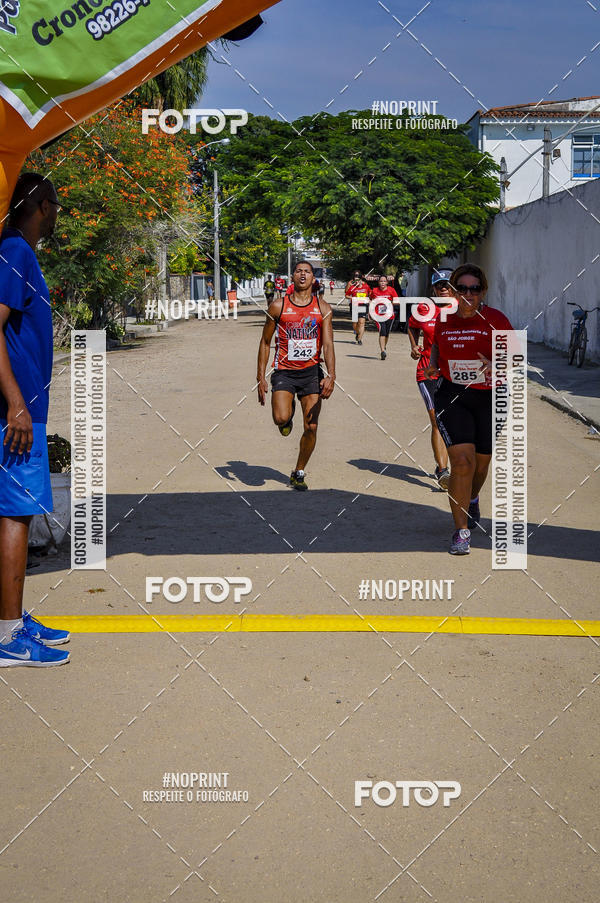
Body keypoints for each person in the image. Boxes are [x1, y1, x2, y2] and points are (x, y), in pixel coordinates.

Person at [0, 173, 70, 666]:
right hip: (16, 414)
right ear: (42, 205)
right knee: (14, 515)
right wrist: (16, 404)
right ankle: (8, 638)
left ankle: (14, 618)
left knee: (15, 513)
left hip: (23, 408)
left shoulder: (17, 252)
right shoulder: (16, 253)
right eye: (57, 204)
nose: (59, 213)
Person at [424, 263, 514, 555]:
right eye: (461, 288)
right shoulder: (445, 318)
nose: (467, 294)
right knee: (462, 462)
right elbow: (437, 343)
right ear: (453, 290)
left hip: (490, 397)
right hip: (453, 396)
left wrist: (497, 364)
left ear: (482, 291)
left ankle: (472, 497)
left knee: (481, 463)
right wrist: (434, 364)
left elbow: (516, 354)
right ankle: (460, 531)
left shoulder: (496, 319)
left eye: (474, 289)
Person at [257, 260, 335, 490]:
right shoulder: (278, 306)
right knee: (281, 419)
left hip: (311, 373)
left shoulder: (323, 308)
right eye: (299, 271)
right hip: (285, 372)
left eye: (307, 272)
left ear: (313, 278)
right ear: (292, 277)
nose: (303, 274)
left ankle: (299, 471)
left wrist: (331, 375)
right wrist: (260, 377)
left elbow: (328, 344)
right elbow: (265, 342)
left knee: (311, 426)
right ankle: (287, 415)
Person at [407, 269, 453, 489]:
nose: (443, 288)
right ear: (433, 289)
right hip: (428, 371)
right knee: (437, 420)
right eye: (439, 285)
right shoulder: (425, 308)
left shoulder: (466, 310)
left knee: (453, 422)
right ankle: (443, 471)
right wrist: (414, 346)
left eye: (448, 284)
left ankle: (446, 464)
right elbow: (412, 326)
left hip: (456, 374)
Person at [369, 275, 398, 360]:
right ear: (378, 282)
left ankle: (384, 347)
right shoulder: (374, 290)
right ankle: (382, 351)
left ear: (387, 282)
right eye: (381, 281)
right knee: (382, 331)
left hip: (389, 314)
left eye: (384, 281)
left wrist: (389, 303)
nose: (382, 283)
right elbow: (370, 300)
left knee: (387, 333)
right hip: (378, 315)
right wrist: (370, 312)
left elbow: (397, 301)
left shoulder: (391, 290)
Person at [344, 270, 370, 345]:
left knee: (361, 322)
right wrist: (352, 298)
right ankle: (357, 332)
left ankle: (359, 339)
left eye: (358, 276)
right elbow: (346, 294)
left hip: (363, 305)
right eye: (355, 276)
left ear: (361, 277)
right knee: (355, 323)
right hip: (354, 305)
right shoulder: (351, 285)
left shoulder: (365, 285)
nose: (357, 277)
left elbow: (370, 293)